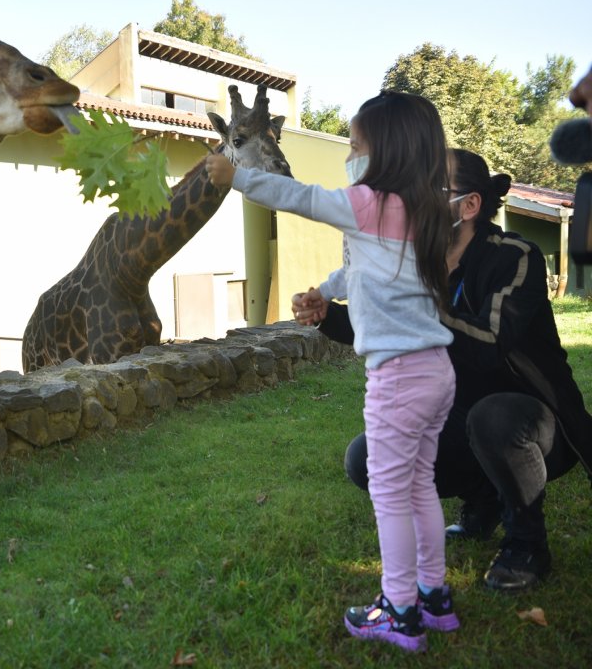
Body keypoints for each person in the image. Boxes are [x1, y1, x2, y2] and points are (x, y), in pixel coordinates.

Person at [207, 91, 456, 653]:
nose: (349, 154)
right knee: (420, 485)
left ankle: (398, 609)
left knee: (390, 493)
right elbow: (364, 270)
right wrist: (324, 288)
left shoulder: (368, 202)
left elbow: (302, 197)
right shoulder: (422, 210)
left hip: (395, 378)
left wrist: (237, 177)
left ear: (385, 151)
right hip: (436, 372)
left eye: (354, 145)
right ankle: (434, 596)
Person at [295, 147, 592, 595]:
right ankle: (484, 499)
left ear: (469, 205)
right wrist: (327, 315)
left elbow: (491, 344)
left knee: (492, 416)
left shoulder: (516, 257)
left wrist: (419, 306)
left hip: (535, 426)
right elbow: (380, 324)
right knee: (367, 457)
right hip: (458, 417)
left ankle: (526, 543)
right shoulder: (417, 263)